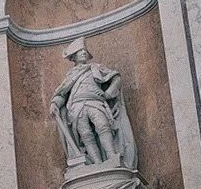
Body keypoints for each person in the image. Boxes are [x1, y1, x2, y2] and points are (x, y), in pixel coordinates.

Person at [48, 37, 136, 170]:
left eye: (84, 51)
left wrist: (108, 93)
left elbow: (116, 78)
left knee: (103, 126)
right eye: (80, 51)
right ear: (73, 57)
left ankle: (112, 157)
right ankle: (97, 163)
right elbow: (62, 93)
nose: (83, 53)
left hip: (95, 102)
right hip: (76, 107)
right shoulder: (70, 75)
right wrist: (55, 103)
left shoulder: (96, 68)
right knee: (86, 135)